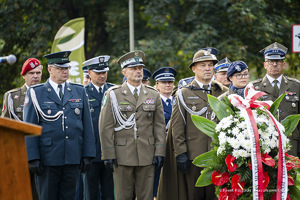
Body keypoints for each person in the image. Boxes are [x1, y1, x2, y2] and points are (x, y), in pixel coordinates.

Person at [24, 51, 96, 200]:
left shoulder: (79, 90)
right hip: (48, 158)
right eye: (61, 68)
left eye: (67, 68)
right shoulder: (36, 93)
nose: (66, 71)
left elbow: (87, 126)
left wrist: (88, 154)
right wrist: (33, 158)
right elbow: (30, 128)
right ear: (50, 69)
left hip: (72, 157)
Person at [157, 49, 228, 200]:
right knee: (194, 195)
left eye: (210, 65)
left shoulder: (224, 92)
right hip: (194, 156)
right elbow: (177, 126)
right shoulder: (184, 93)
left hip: (219, 156)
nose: (207, 68)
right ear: (194, 69)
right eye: (203, 65)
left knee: (216, 196)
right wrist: (181, 153)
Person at [99, 50, 166, 200]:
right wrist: (108, 153)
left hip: (147, 154)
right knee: (123, 196)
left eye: (140, 68)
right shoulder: (113, 94)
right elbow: (105, 126)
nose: (138, 71)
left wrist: (160, 151)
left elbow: (159, 126)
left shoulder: (153, 94)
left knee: (146, 196)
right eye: (134, 68)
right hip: (122, 154)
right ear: (124, 72)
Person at [1, 58, 42, 200]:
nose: (36, 76)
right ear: (23, 75)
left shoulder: (46, 94)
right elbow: (5, 126)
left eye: (38, 73)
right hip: (20, 152)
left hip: (43, 152)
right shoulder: (12, 96)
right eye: (31, 73)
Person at [252, 42, 300, 157]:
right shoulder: (254, 87)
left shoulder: (296, 86)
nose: (274, 64)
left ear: (283, 64)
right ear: (265, 65)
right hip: (264, 147)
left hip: (290, 145)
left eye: (278, 62)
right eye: (270, 61)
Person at [82, 55, 114, 200]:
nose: (102, 75)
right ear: (89, 73)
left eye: (104, 72)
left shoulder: (115, 91)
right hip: (91, 154)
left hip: (111, 152)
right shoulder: (82, 93)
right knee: (90, 194)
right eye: (98, 72)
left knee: (110, 194)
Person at [151, 66, 177, 200]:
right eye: (164, 82)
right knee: (157, 186)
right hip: (159, 149)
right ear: (157, 85)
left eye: (170, 82)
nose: (168, 85)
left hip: (175, 149)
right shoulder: (153, 102)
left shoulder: (178, 101)